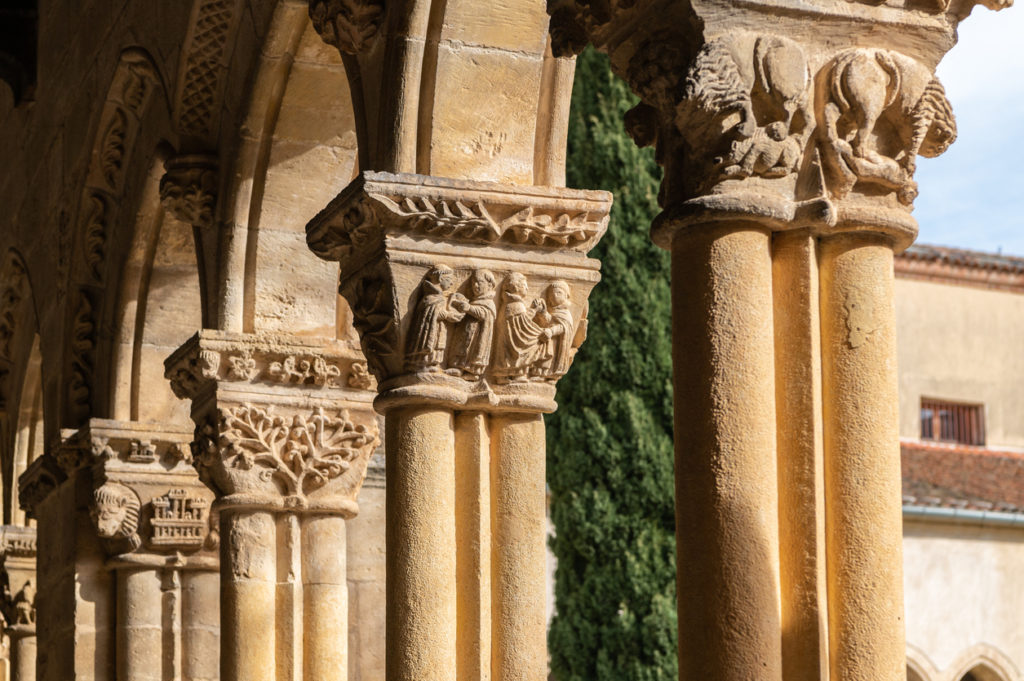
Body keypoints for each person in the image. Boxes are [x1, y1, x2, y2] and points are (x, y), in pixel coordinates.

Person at [405, 264, 464, 372]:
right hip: (431, 330)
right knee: (431, 344)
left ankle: (433, 363)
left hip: (438, 328)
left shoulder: (439, 296)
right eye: (450, 280)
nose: (451, 283)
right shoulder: (431, 296)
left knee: (437, 344)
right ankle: (423, 364)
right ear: (441, 278)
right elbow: (431, 312)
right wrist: (447, 315)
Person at [493, 272, 546, 383]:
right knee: (537, 340)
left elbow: (521, 321)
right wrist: (534, 310)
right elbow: (524, 321)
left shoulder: (509, 302)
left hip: (510, 338)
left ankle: (507, 375)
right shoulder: (515, 304)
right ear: (515, 287)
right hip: (513, 339)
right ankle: (516, 374)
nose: (527, 287)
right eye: (524, 285)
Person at [448, 269, 497, 380]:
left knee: (474, 352)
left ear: (490, 285)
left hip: (478, 336)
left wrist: (469, 308)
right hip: (468, 332)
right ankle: (459, 368)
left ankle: (474, 372)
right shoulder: (477, 300)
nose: (475, 285)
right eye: (473, 282)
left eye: (479, 282)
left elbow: (483, 314)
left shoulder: (489, 302)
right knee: (463, 349)